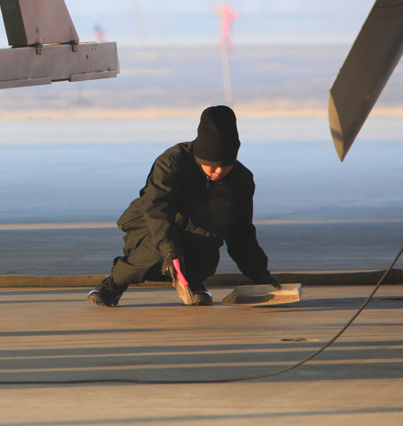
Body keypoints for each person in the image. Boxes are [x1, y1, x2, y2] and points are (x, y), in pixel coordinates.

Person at [87, 105, 278, 307]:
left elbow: (241, 233)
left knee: (206, 253)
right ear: (199, 157)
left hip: (199, 233)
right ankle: (115, 282)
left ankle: (194, 282)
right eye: (212, 165)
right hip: (152, 227)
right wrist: (170, 251)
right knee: (155, 253)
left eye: (226, 165)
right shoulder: (172, 162)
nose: (219, 171)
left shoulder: (241, 179)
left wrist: (260, 276)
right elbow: (157, 209)